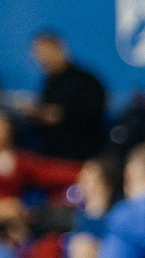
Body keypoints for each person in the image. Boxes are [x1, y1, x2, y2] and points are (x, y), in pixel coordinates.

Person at [0, 106, 83, 218]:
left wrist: (84, 171)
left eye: (2, 127)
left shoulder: (21, 160)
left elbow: (48, 171)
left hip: (14, 216)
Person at [26, 32, 110, 162]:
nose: (42, 58)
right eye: (38, 54)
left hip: (81, 156)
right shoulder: (48, 84)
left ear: (60, 49)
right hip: (50, 157)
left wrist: (61, 115)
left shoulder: (87, 81)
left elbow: (93, 114)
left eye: (45, 52)